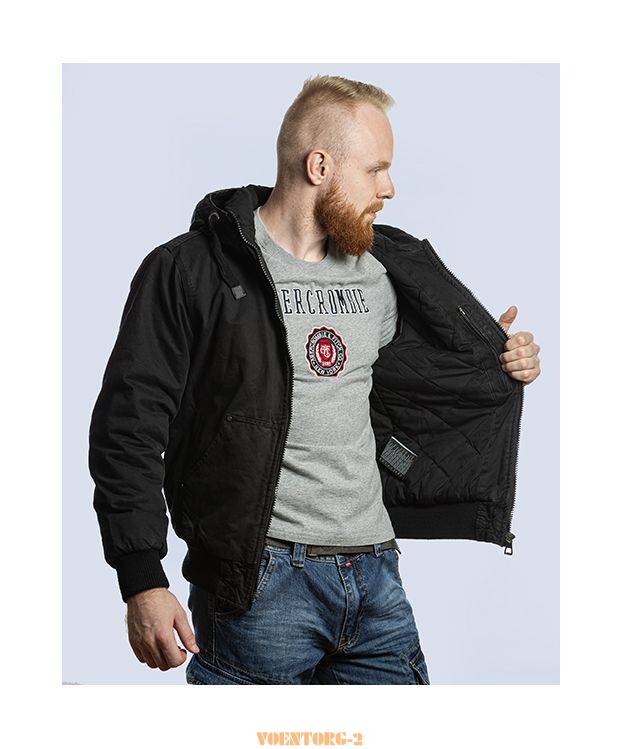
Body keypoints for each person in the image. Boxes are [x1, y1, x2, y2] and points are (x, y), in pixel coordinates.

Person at [89, 75, 542, 685]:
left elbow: (428, 383)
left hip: (376, 577)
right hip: (260, 586)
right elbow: (129, 427)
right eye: (376, 170)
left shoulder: (382, 271)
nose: (389, 189)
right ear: (320, 166)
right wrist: (142, 578)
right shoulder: (192, 271)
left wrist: (501, 360)